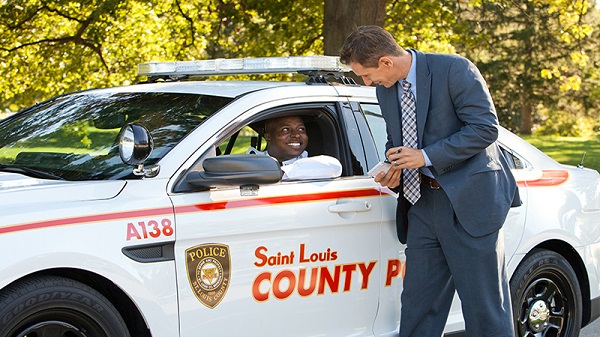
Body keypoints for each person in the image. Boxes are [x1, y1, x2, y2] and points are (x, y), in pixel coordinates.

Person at [340, 25, 521, 337]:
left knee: (484, 308)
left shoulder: (454, 69)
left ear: (385, 61)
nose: (367, 83)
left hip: (470, 205)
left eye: (366, 75)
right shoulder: (385, 90)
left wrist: (424, 156)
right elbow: (396, 141)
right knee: (418, 307)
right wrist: (393, 166)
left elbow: (485, 128)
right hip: (421, 206)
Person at [246, 115, 342, 180]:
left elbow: (334, 167)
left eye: (301, 129)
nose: (296, 135)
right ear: (268, 137)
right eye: (285, 130)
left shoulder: (311, 164)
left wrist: (281, 173)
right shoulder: (253, 161)